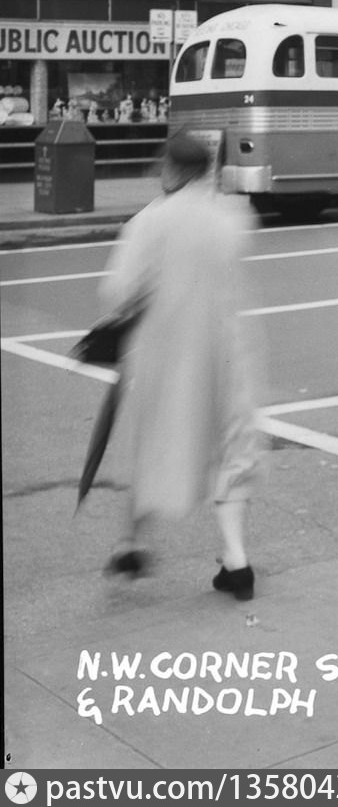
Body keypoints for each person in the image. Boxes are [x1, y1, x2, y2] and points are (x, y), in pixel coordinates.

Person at [99, 130, 264, 600]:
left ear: (169, 168)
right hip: (226, 352)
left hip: (167, 353)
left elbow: (119, 291)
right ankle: (237, 560)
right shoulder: (230, 215)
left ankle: (130, 545)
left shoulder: (149, 222)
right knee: (233, 450)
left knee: (151, 446)